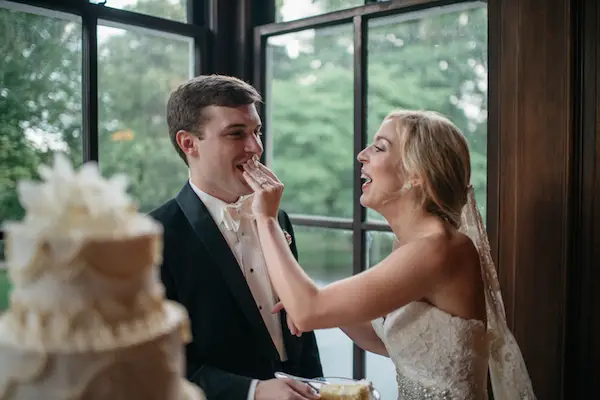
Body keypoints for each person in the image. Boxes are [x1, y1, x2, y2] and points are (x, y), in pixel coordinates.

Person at [241, 110, 537, 399]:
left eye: (379, 147)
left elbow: (308, 312)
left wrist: (267, 219)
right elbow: (383, 341)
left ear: (417, 175)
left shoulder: (439, 249)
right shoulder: (411, 247)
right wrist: (328, 307)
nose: (362, 154)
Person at [150, 75, 322, 400]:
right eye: (236, 134)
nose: (255, 147)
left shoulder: (276, 217)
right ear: (189, 143)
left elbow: (301, 330)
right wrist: (252, 391)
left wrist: (320, 386)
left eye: (256, 131)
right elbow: (160, 364)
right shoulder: (154, 237)